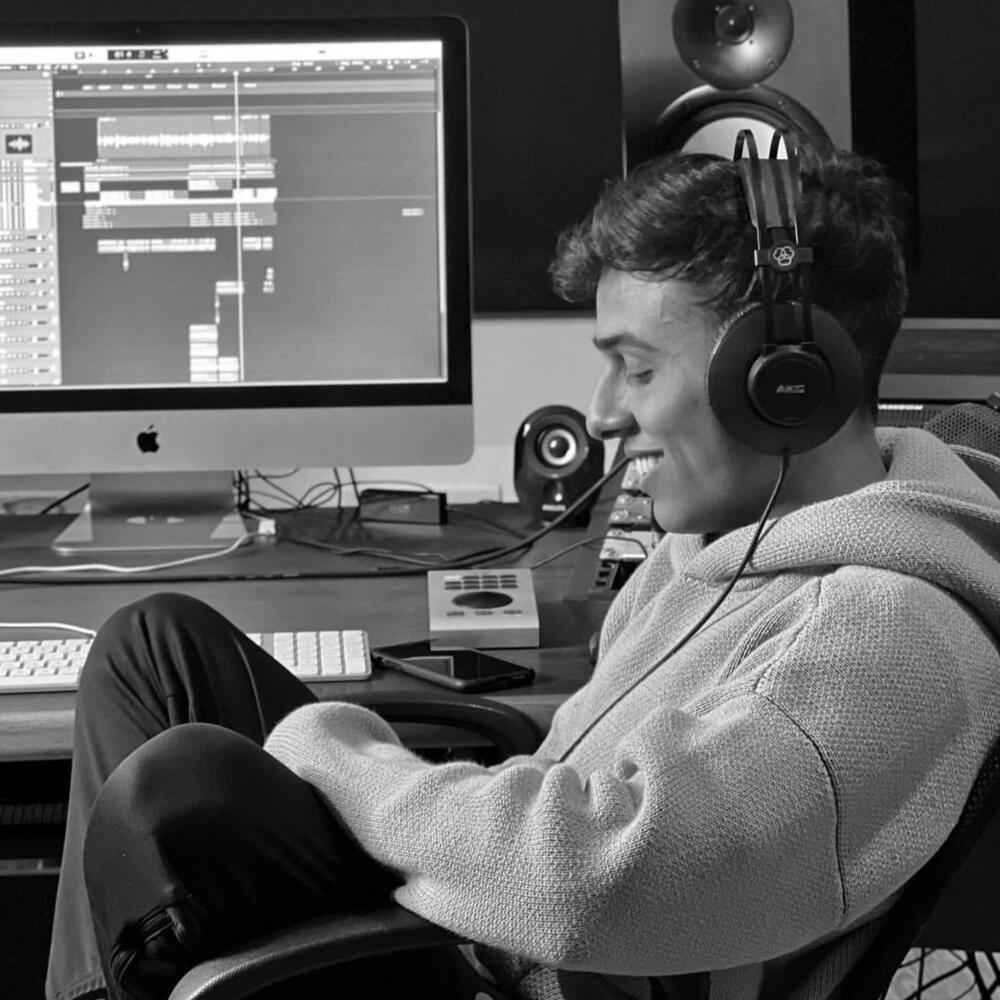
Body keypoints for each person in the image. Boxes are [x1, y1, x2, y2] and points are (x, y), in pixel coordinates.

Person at [47, 143, 1000, 1000]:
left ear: (785, 382)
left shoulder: (885, 640)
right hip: (487, 921)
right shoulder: (718, 549)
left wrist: (333, 757)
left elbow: (596, 883)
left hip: (511, 968)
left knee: (178, 788)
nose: (601, 414)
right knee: (157, 647)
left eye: (637, 369)